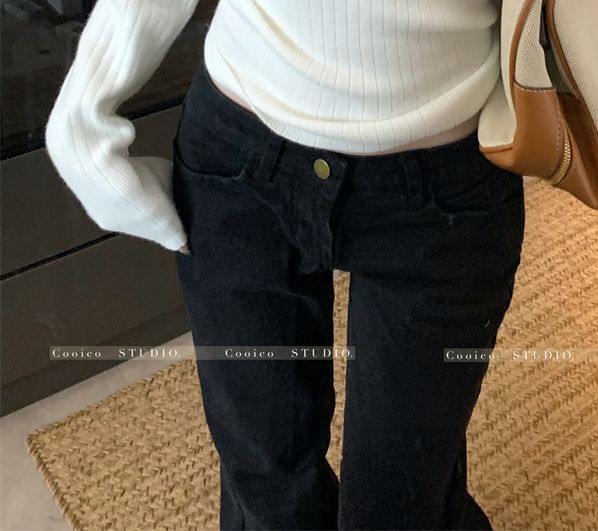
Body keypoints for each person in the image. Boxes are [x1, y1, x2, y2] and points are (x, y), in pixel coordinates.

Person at [45, 1, 524, 529]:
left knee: (404, 492)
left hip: (447, 174)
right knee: (267, 481)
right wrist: (83, 114)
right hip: (240, 152)